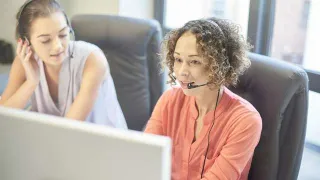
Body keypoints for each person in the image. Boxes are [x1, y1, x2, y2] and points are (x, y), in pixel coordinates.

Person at [144, 18, 262, 180]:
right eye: (178, 60)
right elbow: (146, 158)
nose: (182, 72)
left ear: (219, 66)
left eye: (194, 62)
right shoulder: (169, 100)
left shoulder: (245, 121)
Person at [0, 0, 127, 129]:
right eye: (46, 40)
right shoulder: (24, 62)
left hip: (104, 143)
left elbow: (68, 129)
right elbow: (3, 117)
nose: (58, 46)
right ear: (26, 42)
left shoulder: (93, 59)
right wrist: (31, 82)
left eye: (63, 34)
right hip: (54, 142)